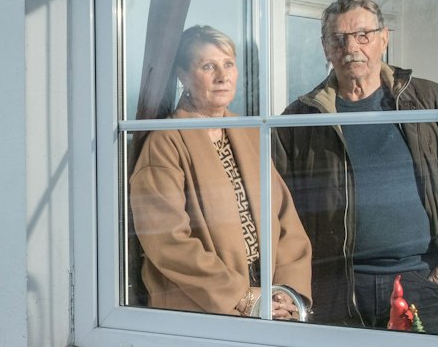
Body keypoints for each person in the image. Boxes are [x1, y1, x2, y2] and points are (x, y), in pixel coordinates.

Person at [275, 0, 438, 331]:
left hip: (423, 280)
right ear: (326, 48)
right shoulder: (299, 119)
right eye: (339, 39)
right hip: (338, 288)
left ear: (384, 37)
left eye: (363, 35)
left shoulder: (429, 102)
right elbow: (278, 213)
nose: (351, 47)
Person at [129, 25, 313, 319]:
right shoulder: (165, 142)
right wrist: (244, 297)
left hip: (270, 301)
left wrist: (285, 291)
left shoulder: (251, 131)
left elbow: (285, 218)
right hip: (203, 312)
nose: (222, 76)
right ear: (183, 75)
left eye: (228, 64)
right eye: (207, 66)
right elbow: (167, 241)